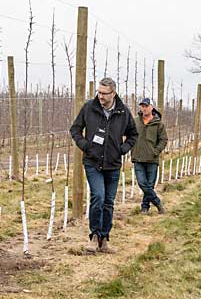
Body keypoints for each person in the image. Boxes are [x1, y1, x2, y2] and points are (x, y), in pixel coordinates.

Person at [70, 77, 138, 253]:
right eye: (99, 92)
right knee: (98, 197)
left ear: (113, 93)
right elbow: (75, 129)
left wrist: (123, 149)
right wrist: (85, 146)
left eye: (104, 93)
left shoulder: (123, 112)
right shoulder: (89, 108)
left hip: (113, 164)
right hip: (93, 162)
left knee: (108, 202)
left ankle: (104, 239)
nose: (100, 96)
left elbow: (133, 134)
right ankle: (93, 236)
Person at [131, 96, 168, 213]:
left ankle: (144, 208)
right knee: (142, 183)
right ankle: (158, 203)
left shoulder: (159, 124)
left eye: (146, 106)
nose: (144, 108)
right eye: (142, 106)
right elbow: (129, 135)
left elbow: (163, 140)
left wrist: (155, 151)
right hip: (138, 158)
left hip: (152, 159)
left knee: (150, 185)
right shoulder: (135, 121)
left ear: (152, 107)